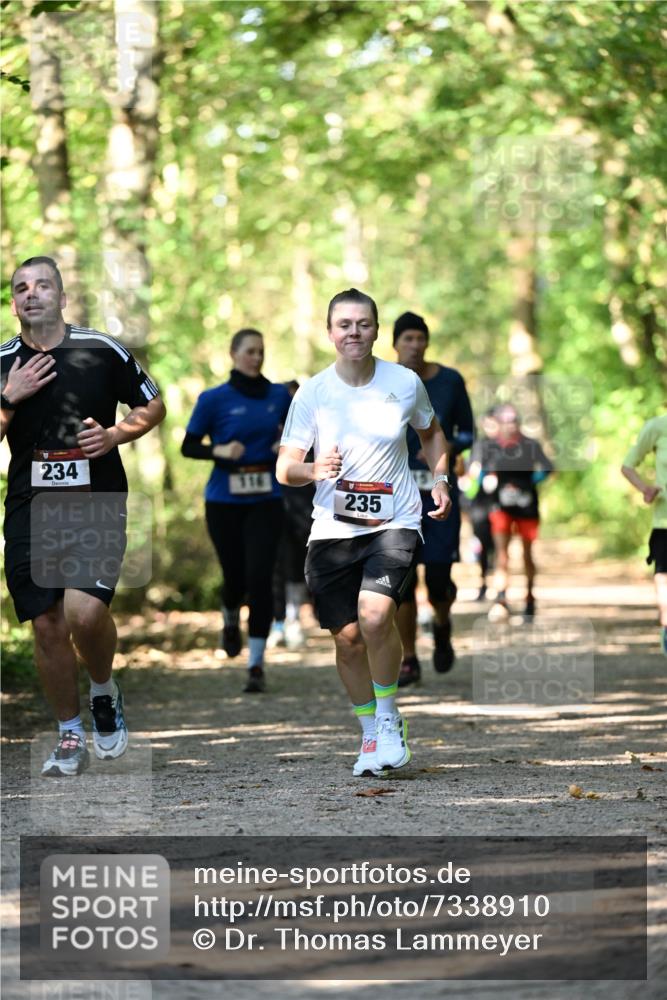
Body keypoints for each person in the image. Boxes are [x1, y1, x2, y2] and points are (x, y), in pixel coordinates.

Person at [1, 256, 165, 777]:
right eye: (22, 288)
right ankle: (69, 736)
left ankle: (103, 688)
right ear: (13, 303)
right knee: (47, 626)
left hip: (96, 501)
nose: (32, 294)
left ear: (63, 296)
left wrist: (116, 435)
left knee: (84, 614)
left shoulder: (102, 349)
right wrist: (9, 398)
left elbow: (154, 404)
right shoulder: (2, 361)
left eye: (43, 285)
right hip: (30, 506)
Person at [276, 288, 452, 777]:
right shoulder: (314, 391)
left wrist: (439, 478)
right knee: (348, 638)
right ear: (330, 332)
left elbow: (432, 432)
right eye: (344, 324)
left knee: (375, 618)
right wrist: (313, 471)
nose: (354, 332)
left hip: (395, 518)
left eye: (364, 323)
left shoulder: (404, 381)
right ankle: (370, 730)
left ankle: (391, 716)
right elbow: (284, 467)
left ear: (377, 330)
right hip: (332, 527)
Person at [181, 328, 292, 692]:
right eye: (249, 351)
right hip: (224, 502)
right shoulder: (214, 399)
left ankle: (256, 665)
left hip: (266, 498)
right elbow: (189, 447)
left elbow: (301, 435)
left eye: (261, 351)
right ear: (233, 354)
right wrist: (220, 450)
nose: (256, 358)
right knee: (235, 578)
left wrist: (286, 447)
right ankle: (230, 617)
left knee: (260, 578)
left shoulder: (279, 395)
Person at [392, 311, 474, 685]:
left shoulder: (450, 381)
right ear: (394, 343)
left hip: (438, 492)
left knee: (439, 578)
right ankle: (409, 658)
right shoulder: (382, 381)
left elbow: (469, 433)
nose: (414, 345)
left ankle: (442, 624)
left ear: (427, 342)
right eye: (406, 338)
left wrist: (444, 448)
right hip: (395, 497)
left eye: (419, 338)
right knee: (402, 582)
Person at [470, 403, 553, 620]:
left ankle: (529, 599)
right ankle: (501, 599)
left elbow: (547, 467)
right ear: (498, 424)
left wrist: (532, 481)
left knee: (527, 554)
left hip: (527, 507)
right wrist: (486, 480)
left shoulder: (530, 445)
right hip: (500, 507)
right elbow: (479, 471)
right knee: (502, 555)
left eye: (513, 421)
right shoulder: (490, 447)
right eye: (505, 422)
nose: (510, 426)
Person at [267, 381, 314, 651]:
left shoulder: (311, 427)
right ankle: (278, 622)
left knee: (298, 561)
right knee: (275, 565)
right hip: (270, 503)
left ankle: (295, 618)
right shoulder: (267, 428)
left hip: (303, 504)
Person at [621, 413, 667, 655]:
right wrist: (645, 489)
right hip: (664, 520)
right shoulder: (658, 427)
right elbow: (627, 466)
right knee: (663, 574)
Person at [466, 408, 499, 601]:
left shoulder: (506, 445)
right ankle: (483, 585)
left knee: (497, 546)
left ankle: (499, 588)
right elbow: (472, 470)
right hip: (480, 503)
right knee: (483, 544)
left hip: (499, 503)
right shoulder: (479, 445)